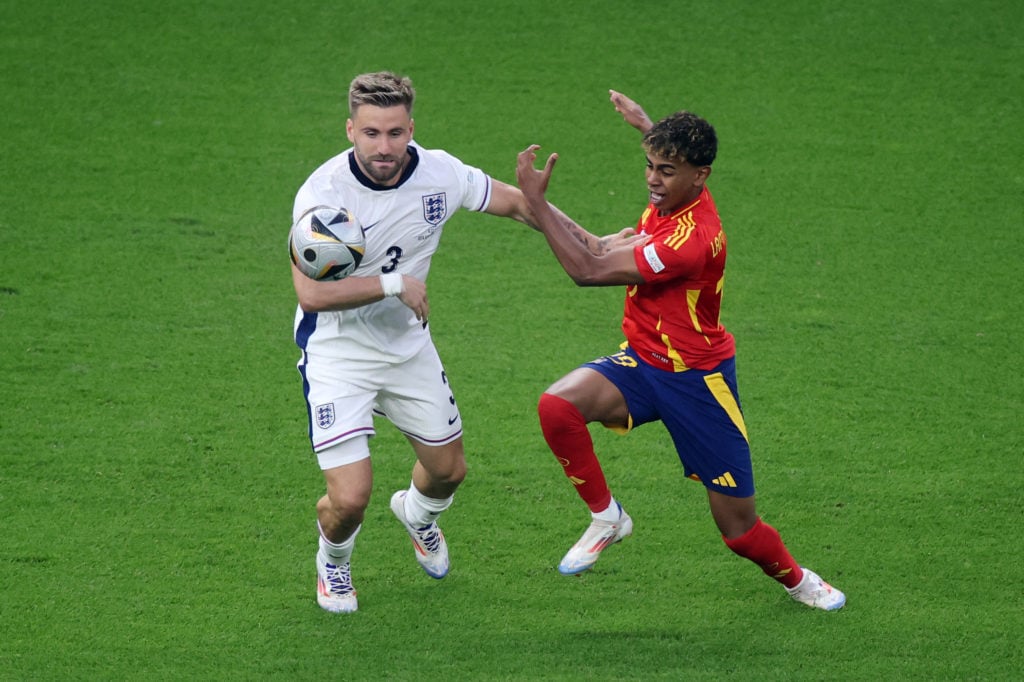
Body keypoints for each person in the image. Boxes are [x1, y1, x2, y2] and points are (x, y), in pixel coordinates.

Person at [513, 90, 846, 611]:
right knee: (557, 406)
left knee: (737, 530)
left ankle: (799, 579)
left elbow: (589, 269)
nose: (652, 179)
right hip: (645, 364)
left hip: (697, 383)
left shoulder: (691, 239)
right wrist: (645, 124)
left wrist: (535, 202)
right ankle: (607, 517)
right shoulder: (672, 198)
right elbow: (605, 244)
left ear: (700, 177)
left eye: (665, 170)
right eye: (649, 165)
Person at [290, 71, 541, 614]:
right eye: (372, 133)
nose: (385, 147)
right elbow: (309, 294)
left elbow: (521, 204)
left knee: (449, 471)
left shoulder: (440, 173)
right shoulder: (323, 195)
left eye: (396, 133)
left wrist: (593, 244)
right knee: (350, 498)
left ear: (411, 129)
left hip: (406, 346)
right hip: (339, 353)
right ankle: (332, 562)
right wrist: (392, 283)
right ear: (350, 129)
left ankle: (418, 515)